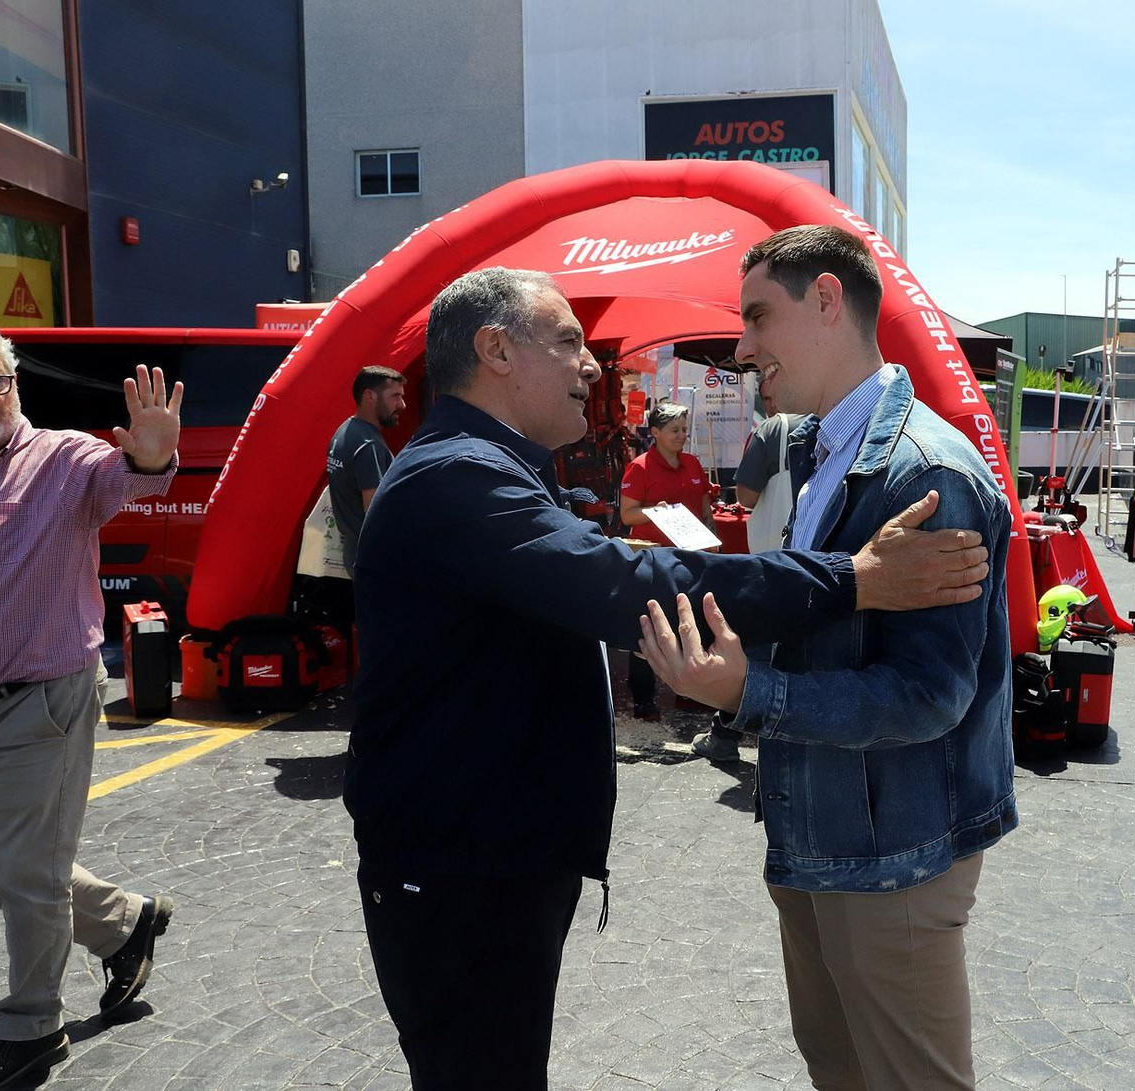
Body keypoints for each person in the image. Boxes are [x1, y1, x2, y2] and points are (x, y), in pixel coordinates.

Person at [346, 266, 992, 1091]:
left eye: (758, 316)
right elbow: (625, 583)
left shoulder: (486, 465)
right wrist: (853, 579)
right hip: (459, 869)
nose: (590, 365)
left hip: (486, 858)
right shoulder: (456, 474)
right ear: (496, 350)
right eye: (570, 341)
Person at [639, 225, 1017, 1091]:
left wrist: (752, 690)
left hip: (894, 857)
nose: (741, 348)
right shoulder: (821, 451)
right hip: (823, 832)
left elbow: (928, 694)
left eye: (756, 317)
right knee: (837, 1067)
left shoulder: (925, 471)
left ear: (825, 300)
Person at [0, 320, 181, 1090]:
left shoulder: (61, 459)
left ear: (14, 382)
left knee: (25, 868)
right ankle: (124, 922)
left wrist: (150, 454)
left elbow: (128, 476)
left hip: (42, 701)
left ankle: (30, 1027)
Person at [690, 408, 810, 761]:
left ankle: (725, 736)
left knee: (756, 651)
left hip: (778, 560)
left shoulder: (776, 429)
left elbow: (746, 496)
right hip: (826, 562)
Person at [618, 400, 713, 721]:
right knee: (649, 625)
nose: (682, 435)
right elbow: (627, 515)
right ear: (655, 432)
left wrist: (712, 538)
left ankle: (689, 693)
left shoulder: (693, 463)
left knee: (690, 623)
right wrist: (653, 512)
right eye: (675, 430)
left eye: (684, 429)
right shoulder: (640, 467)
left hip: (692, 557)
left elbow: (705, 509)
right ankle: (644, 698)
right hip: (655, 560)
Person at [326, 365, 406, 578]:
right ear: (370, 396)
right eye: (395, 396)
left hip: (355, 554)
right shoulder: (368, 445)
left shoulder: (344, 431)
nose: (402, 405)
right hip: (376, 559)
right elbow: (375, 512)